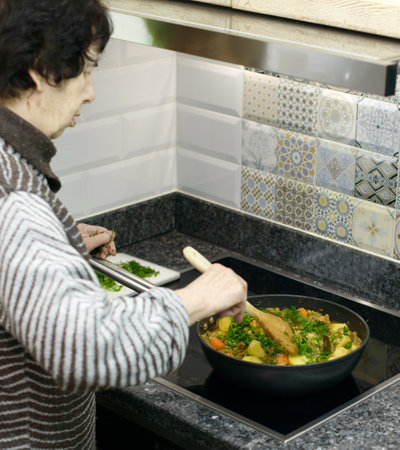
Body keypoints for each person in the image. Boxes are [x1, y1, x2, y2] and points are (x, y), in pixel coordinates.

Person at [0, 0, 247, 448]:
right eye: (86, 69)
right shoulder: (17, 204)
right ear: (39, 72)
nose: (91, 92)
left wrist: (60, 244)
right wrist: (196, 298)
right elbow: (85, 350)